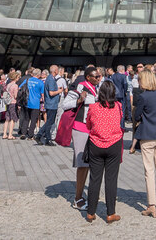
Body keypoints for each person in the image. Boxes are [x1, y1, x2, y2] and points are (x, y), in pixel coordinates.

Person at [61, 66, 101, 212]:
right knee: (83, 163)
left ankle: (86, 196)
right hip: (80, 127)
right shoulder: (80, 86)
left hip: (92, 128)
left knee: (90, 163)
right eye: (96, 76)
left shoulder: (96, 88)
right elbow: (65, 105)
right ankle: (77, 198)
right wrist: (79, 100)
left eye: (99, 76)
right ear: (88, 77)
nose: (99, 78)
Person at [85, 80, 124, 224]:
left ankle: (90, 212)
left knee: (95, 179)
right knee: (111, 179)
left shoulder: (93, 107)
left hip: (96, 144)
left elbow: (88, 124)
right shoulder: (118, 106)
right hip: (114, 143)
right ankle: (110, 213)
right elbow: (119, 121)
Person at [133, 70, 156, 217]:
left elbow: (136, 115)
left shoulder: (142, 97)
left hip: (147, 136)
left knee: (149, 171)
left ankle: (151, 205)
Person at [36, 65, 62, 145]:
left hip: (50, 103)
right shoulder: (50, 79)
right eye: (57, 69)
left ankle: (48, 139)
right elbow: (51, 93)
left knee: (50, 122)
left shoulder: (50, 78)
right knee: (50, 122)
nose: (58, 71)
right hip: (51, 104)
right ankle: (39, 135)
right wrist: (59, 91)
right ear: (55, 71)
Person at [21, 69, 45, 140]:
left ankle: (23, 133)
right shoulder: (40, 82)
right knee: (33, 120)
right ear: (39, 75)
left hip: (27, 102)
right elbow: (42, 94)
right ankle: (30, 135)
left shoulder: (27, 80)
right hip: (35, 103)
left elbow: (20, 88)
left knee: (26, 118)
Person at [1, 71, 19, 140]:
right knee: (12, 119)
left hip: (8, 103)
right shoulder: (15, 85)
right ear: (15, 78)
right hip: (13, 103)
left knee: (7, 119)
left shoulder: (8, 85)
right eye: (17, 77)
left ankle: (4, 134)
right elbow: (15, 96)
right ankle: (10, 135)